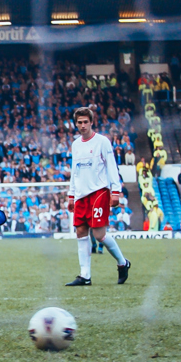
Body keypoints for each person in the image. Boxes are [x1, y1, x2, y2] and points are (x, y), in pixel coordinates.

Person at [65, 107, 131, 286]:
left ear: (91, 122)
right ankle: (85, 275)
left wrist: (115, 191)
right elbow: (75, 171)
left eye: (86, 122)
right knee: (80, 231)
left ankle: (122, 263)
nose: (83, 125)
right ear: (76, 124)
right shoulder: (76, 144)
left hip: (99, 192)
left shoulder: (102, 142)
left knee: (99, 234)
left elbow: (111, 166)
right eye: (79, 122)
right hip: (80, 194)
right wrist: (71, 195)